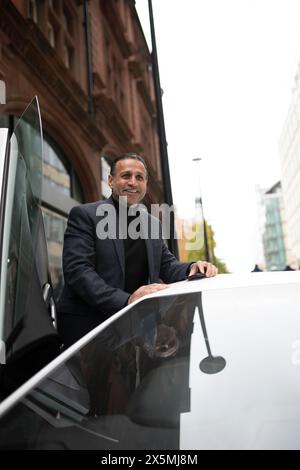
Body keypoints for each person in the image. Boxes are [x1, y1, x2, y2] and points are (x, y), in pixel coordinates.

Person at [57, 153, 217, 348]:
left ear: (145, 185)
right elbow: (78, 272)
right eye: (126, 176)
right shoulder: (86, 215)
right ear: (111, 180)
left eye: (139, 177)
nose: (133, 182)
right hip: (88, 326)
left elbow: (166, 265)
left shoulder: (153, 225)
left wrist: (192, 267)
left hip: (132, 325)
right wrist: (126, 300)